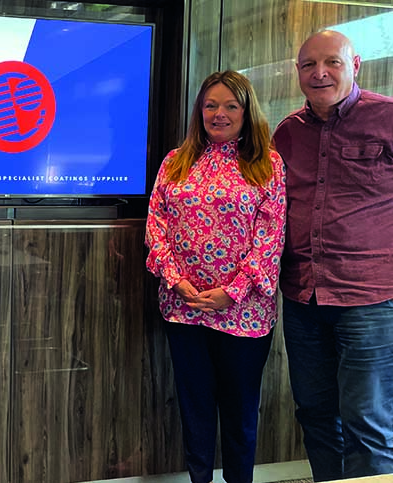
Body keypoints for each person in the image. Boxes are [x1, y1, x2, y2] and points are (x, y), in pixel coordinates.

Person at [145, 70, 286, 483]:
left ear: (246, 111)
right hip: (184, 309)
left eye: (230, 105)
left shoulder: (268, 164)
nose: (218, 114)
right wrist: (175, 279)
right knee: (195, 408)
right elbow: (156, 227)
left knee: (240, 411)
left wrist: (233, 291)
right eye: (210, 105)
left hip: (244, 314)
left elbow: (271, 237)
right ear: (199, 111)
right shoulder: (176, 161)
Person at [272, 30, 393, 481]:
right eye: (308, 65)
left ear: (355, 65)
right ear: (297, 71)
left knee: (368, 421)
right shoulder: (287, 132)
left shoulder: (386, 118)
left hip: (369, 299)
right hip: (303, 299)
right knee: (316, 414)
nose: (319, 73)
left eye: (332, 63)